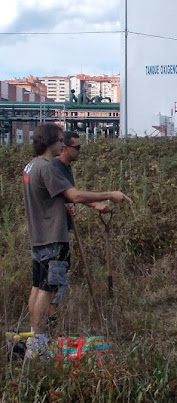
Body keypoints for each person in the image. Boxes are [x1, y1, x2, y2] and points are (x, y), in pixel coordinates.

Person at [22, 123, 132, 359]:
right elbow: (74, 195)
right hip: (53, 236)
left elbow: (55, 197)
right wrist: (110, 194)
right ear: (51, 142)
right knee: (47, 290)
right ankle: (39, 345)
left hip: (39, 236)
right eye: (60, 140)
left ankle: (35, 339)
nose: (63, 144)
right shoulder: (48, 167)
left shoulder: (31, 166)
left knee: (38, 287)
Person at [48, 131, 111, 324]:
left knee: (58, 276)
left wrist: (95, 205)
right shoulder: (54, 167)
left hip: (63, 229)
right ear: (64, 148)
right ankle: (49, 323)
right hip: (53, 233)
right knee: (54, 281)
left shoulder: (66, 168)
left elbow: (71, 195)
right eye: (77, 147)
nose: (80, 151)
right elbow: (72, 196)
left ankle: (50, 321)